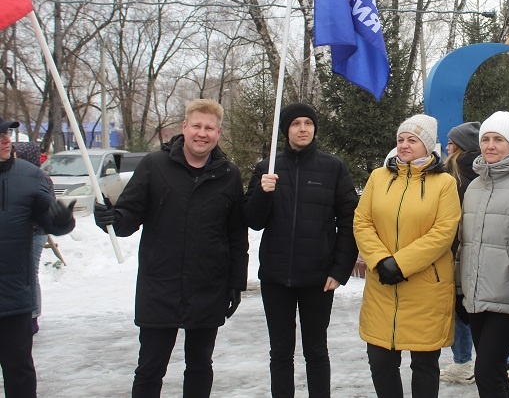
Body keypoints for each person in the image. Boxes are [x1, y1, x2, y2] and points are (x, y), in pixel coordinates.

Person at [93, 99, 248, 398]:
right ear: (184, 128)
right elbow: (129, 217)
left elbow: (236, 235)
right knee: (150, 368)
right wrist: (111, 219)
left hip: (208, 286)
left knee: (200, 365)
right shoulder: (154, 165)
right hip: (159, 286)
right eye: (197, 126)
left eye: (209, 128)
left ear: (219, 133)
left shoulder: (228, 174)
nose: (202, 134)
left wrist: (235, 283)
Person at [242, 102, 359, 398]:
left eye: (308, 122)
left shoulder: (333, 168)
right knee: (280, 353)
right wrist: (262, 193)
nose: (303, 128)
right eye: (296, 123)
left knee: (316, 351)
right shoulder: (266, 168)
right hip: (276, 276)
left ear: (315, 128)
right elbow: (253, 221)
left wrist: (340, 270)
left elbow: (349, 221)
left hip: (318, 278)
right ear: (286, 130)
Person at [353, 114, 461, 398]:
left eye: (412, 140)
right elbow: (362, 221)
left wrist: (401, 264)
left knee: (424, 365)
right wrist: (380, 261)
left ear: (427, 145)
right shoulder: (379, 177)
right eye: (401, 139)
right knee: (380, 361)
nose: (404, 145)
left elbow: (444, 232)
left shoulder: (444, 183)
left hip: (426, 288)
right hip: (382, 287)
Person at [459, 111, 509, 397]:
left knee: (485, 372)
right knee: (494, 373)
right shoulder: (474, 187)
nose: (490, 146)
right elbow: (465, 244)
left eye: (498, 140)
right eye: (486, 139)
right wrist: (460, 291)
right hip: (476, 297)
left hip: (508, 299)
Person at [1, 117, 75, 398]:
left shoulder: (29, 176)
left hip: (14, 298)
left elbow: (51, 223)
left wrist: (62, 219)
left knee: (19, 371)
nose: (7, 139)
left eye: (6, 133)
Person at [440, 121, 481, 385]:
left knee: (462, 309)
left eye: (451, 142)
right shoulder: (481, 170)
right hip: (475, 248)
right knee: (469, 307)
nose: (447, 146)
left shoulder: (454, 173)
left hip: (456, 248)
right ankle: (463, 361)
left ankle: (508, 368)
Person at [13, 141, 54, 335]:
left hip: (36, 232)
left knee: (30, 273)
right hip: (22, 231)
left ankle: (33, 317)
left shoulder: (39, 177)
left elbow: (47, 207)